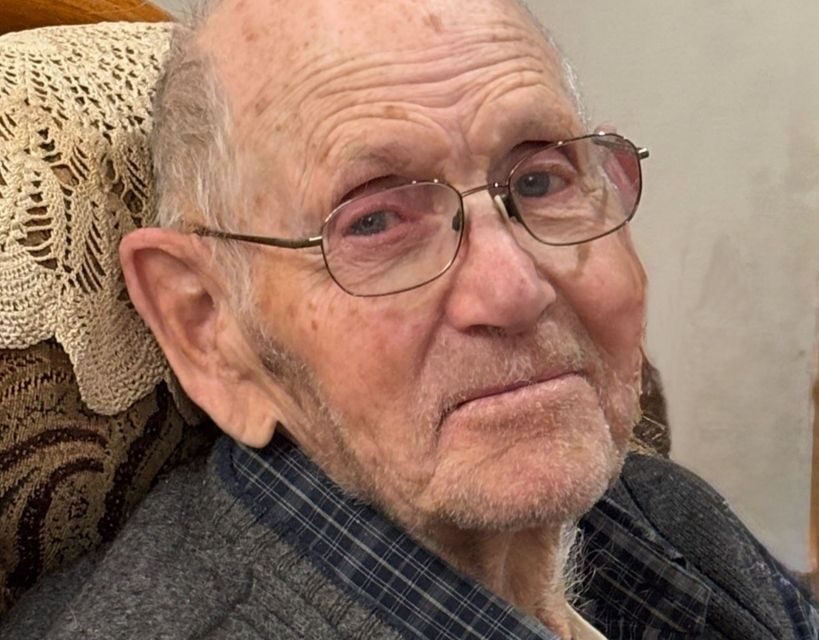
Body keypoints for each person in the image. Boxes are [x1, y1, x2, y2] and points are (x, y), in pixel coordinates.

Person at [2, 0, 816, 638]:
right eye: (374, 221)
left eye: (540, 180)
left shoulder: (659, 513)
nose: (515, 291)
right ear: (207, 326)